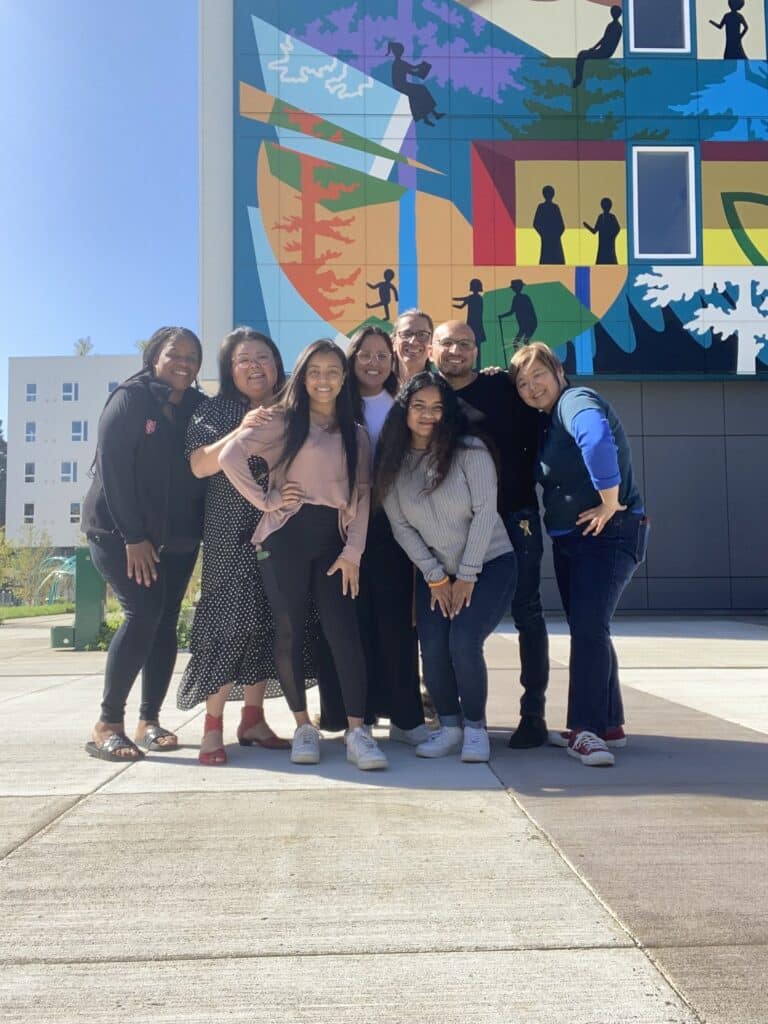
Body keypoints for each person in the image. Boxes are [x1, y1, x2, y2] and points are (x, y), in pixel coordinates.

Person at [219, 339, 388, 771]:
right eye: (314, 371)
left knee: (342, 632)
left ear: (343, 377)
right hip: (284, 540)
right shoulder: (282, 421)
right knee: (289, 630)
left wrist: (354, 551)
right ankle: (302, 727)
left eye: (332, 371)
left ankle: (357, 731)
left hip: (333, 543)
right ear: (302, 376)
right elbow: (229, 455)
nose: (323, 380)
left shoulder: (358, 435)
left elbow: (363, 498)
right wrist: (266, 501)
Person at [510, 342, 649, 768]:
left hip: (605, 534)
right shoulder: (548, 421)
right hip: (575, 538)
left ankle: (586, 730)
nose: (533, 387)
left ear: (559, 372)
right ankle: (609, 723)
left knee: (588, 628)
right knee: (591, 628)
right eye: (522, 382)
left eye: (539, 375)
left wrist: (610, 500)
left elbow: (596, 436)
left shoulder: (576, 400)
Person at [177, 328, 308, 765]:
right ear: (229, 370)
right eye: (243, 359)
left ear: (277, 364)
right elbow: (198, 465)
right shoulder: (217, 410)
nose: (255, 365)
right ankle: (212, 727)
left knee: (272, 621)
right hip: (229, 529)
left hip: (282, 525)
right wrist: (239, 430)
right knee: (229, 621)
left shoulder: (295, 406)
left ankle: (254, 718)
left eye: (264, 357)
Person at [376, 372, 517, 763]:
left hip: (490, 564)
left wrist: (467, 573)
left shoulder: (470, 450)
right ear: (404, 410)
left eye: (437, 408)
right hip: (435, 571)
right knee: (433, 645)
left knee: (463, 641)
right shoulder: (392, 462)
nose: (428, 415)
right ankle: (450, 727)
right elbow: (400, 525)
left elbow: (486, 512)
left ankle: (475, 728)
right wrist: (436, 575)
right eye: (419, 406)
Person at [82, 327, 206, 761]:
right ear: (155, 355)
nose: (184, 363)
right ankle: (107, 723)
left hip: (177, 540)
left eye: (193, 356)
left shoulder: (195, 406)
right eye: (175, 354)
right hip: (120, 535)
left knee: (164, 621)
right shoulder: (131, 399)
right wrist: (133, 535)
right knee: (143, 613)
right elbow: (113, 472)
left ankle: (148, 720)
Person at [430, 321, 549, 749]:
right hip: (454, 529)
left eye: (465, 343)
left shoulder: (502, 388)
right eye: (447, 343)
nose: (456, 350)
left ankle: (532, 714)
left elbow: (545, 421)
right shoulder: (427, 396)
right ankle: (450, 715)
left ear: (476, 351)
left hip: (513, 518)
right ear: (432, 349)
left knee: (528, 613)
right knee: (446, 622)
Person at [387, 41, 445, 127]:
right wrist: (421, 66)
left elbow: (412, 71)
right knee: (421, 91)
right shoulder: (399, 63)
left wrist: (420, 69)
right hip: (401, 86)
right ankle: (432, 115)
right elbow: (413, 68)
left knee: (421, 91)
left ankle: (431, 116)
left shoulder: (399, 63)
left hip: (402, 85)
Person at [572, 5, 623, 87]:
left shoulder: (614, 26)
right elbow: (605, 39)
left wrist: (594, 48)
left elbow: (605, 40)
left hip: (604, 52)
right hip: (605, 51)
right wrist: (594, 48)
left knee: (582, 55)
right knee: (583, 54)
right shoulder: (617, 26)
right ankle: (578, 79)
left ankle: (578, 79)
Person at [392, 309, 434, 383]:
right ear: (394, 342)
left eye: (422, 335)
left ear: (432, 343)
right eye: (406, 334)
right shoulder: (376, 388)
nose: (413, 342)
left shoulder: (440, 390)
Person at [533, 186, 566, 265]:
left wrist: (545, 234)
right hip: (551, 237)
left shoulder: (553, 207)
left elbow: (561, 225)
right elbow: (536, 223)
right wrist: (544, 234)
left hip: (552, 237)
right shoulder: (546, 207)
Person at [583, 198, 620, 265]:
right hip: (603, 244)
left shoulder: (612, 217)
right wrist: (587, 226)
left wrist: (611, 237)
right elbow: (594, 231)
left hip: (609, 244)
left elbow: (617, 228)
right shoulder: (601, 217)